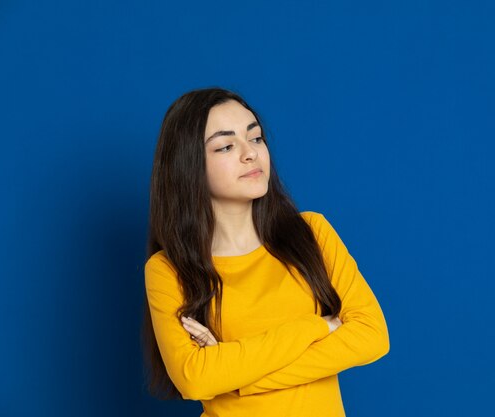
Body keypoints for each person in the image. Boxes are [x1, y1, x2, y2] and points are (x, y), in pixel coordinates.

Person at [142, 87, 389, 417]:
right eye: (226, 146)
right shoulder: (167, 269)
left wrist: (233, 377)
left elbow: (372, 336)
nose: (250, 154)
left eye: (255, 138)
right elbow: (195, 379)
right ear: (189, 166)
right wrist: (317, 328)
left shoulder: (312, 233)